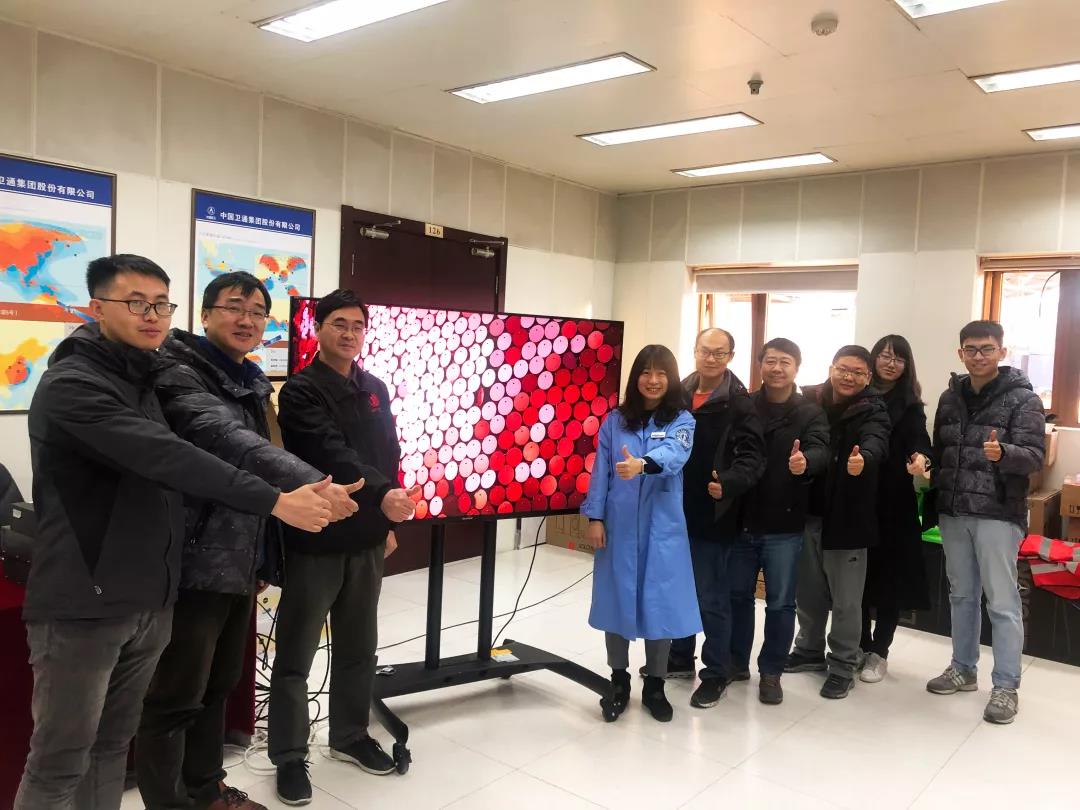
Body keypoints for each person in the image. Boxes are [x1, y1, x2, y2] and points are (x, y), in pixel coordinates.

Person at [15, 255, 335, 810]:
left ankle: (200, 788)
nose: (152, 315)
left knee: (112, 747)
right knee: (61, 760)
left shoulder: (147, 377)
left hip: (151, 592)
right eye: (136, 303)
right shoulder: (75, 385)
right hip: (85, 600)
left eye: (162, 304)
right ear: (97, 308)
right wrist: (278, 499)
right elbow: (172, 456)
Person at [136, 272, 374, 810]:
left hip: (239, 557)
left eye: (257, 312)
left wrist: (264, 554)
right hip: (192, 558)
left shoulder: (250, 379)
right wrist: (311, 481)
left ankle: (206, 789)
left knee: (219, 683)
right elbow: (229, 441)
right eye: (234, 307)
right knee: (176, 696)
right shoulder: (178, 371)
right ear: (204, 315)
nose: (246, 320)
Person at [268, 289, 418, 805]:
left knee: (359, 644)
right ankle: (289, 755)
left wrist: (387, 515)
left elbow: (388, 453)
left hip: (367, 536)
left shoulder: (374, 387)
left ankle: (350, 735)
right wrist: (383, 494)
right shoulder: (301, 391)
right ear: (317, 328)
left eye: (357, 325)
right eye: (339, 323)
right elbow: (330, 451)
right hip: (317, 535)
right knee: (296, 651)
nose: (349, 333)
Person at [926, 320, 1045, 725]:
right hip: (954, 510)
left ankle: (1006, 685)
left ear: (1001, 352)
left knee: (1003, 601)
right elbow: (941, 448)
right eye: (971, 349)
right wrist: (923, 462)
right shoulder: (950, 397)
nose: (979, 356)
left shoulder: (1024, 399)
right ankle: (963, 668)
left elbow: (1034, 456)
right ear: (960, 353)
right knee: (961, 595)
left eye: (987, 349)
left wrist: (1004, 453)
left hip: (997, 512)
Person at [583, 344, 701, 723]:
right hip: (618, 528)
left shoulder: (682, 420)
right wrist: (595, 517)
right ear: (636, 377)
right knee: (617, 600)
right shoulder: (615, 421)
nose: (653, 380)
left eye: (661, 373)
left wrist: (644, 464)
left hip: (662, 530)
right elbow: (600, 472)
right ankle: (618, 680)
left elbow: (675, 455)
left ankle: (655, 685)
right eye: (646, 372)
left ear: (671, 378)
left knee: (660, 604)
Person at [665, 327, 765, 710]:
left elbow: (753, 457)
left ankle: (716, 673)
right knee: (679, 589)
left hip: (713, 511)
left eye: (719, 353)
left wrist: (730, 483)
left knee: (711, 597)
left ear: (730, 357)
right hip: (673, 510)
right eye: (705, 351)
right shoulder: (678, 394)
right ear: (694, 351)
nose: (711, 358)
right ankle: (679, 658)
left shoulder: (738, 402)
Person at [785, 345, 890, 700]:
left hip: (849, 516)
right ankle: (808, 650)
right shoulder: (809, 400)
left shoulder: (874, 409)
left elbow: (877, 441)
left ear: (868, 377)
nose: (848, 377)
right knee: (808, 592)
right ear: (831, 368)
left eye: (858, 373)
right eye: (843, 369)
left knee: (846, 600)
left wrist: (865, 459)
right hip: (807, 511)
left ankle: (843, 664)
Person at [730, 338, 829, 705]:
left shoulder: (809, 412)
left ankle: (771, 671)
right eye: (770, 361)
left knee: (781, 603)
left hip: (784, 524)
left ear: (796, 368)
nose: (776, 368)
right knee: (737, 597)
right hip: (742, 518)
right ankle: (735, 663)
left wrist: (807, 462)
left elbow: (821, 448)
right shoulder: (743, 405)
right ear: (760, 365)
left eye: (784, 361)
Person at [859, 335, 932, 685]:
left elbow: (920, 441)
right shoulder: (857, 396)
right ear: (873, 359)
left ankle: (879, 651)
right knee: (855, 578)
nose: (890, 363)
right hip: (857, 497)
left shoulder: (910, 405)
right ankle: (858, 644)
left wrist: (921, 458)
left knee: (891, 579)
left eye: (898, 359)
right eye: (885, 356)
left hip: (893, 502)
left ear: (907, 365)